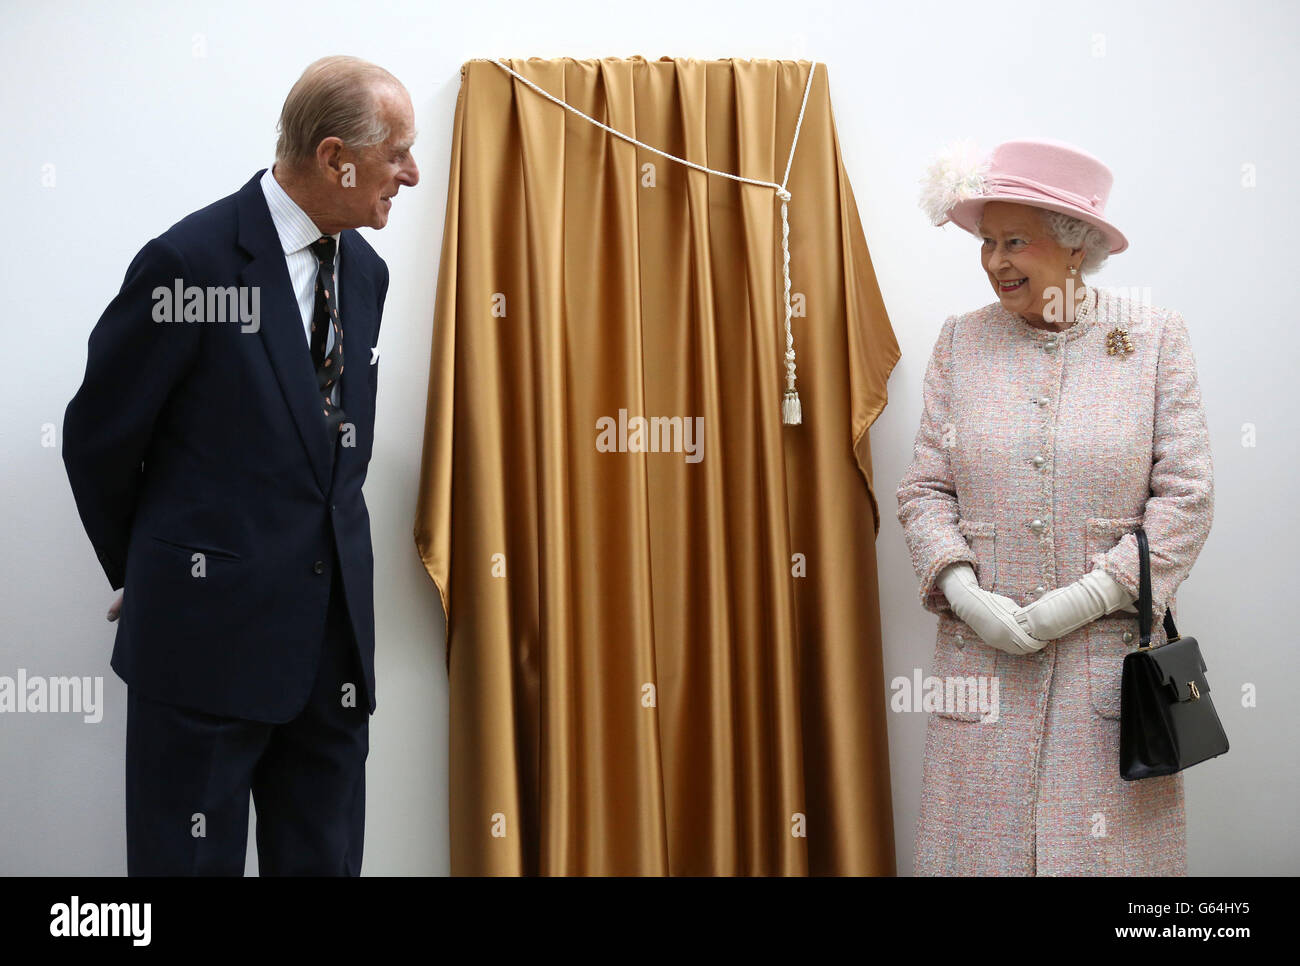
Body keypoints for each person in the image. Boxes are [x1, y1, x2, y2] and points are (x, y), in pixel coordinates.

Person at [62, 55, 419, 875]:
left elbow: (323, 455)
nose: (411, 172)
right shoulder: (188, 263)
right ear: (336, 158)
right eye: (397, 151)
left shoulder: (367, 272)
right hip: (199, 659)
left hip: (333, 668)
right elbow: (98, 438)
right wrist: (150, 572)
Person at [896, 138, 1214, 875]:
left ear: (1075, 248)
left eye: (1015, 241)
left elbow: (1187, 498)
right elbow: (923, 491)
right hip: (983, 667)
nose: (994, 261)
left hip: (1108, 675)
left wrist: (1084, 598)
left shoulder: (1154, 340)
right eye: (986, 242)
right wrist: (964, 592)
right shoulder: (960, 343)